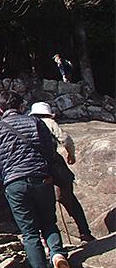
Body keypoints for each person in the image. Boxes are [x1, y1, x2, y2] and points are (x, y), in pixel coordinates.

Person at [0, 91, 76, 268]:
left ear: (1, 109)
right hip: (40, 177)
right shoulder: (34, 123)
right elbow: (48, 149)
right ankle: (57, 255)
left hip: (14, 183)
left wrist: (7, 181)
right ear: (21, 106)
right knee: (49, 223)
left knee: (29, 233)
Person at [29, 102, 95, 242]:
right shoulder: (49, 122)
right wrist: (71, 155)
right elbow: (65, 139)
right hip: (54, 163)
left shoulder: (28, 124)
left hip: (35, 166)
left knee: (43, 203)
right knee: (70, 198)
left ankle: (46, 240)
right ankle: (84, 232)